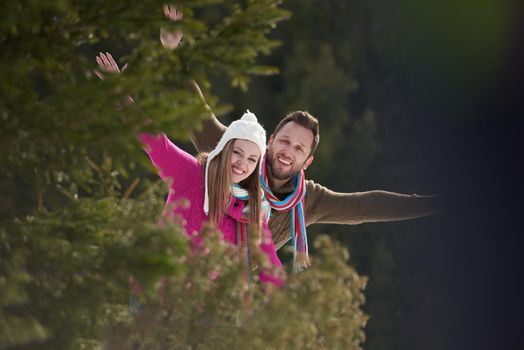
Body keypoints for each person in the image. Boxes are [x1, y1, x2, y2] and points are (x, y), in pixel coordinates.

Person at [139, 111, 284, 287]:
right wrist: (115, 92)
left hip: (199, 305)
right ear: (224, 149)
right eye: (237, 153)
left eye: (252, 159)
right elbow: (155, 141)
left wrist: (289, 307)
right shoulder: (191, 174)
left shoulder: (250, 212)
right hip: (156, 288)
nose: (242, 163)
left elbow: (271, 269)